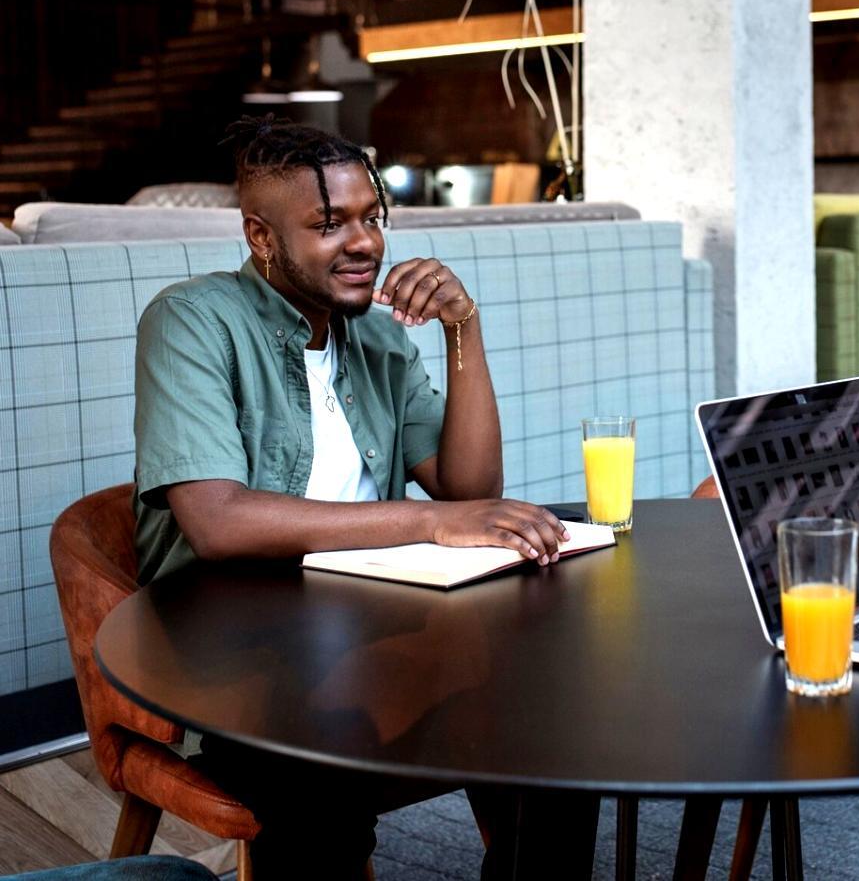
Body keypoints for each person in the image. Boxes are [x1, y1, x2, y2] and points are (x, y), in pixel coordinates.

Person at [132, 116, 579, 879]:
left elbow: (470, 489)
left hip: (378, 623)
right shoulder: (192, 321)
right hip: (240, 644)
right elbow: (218, 522)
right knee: (317, 779)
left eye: (371, 217)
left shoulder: (379, 337)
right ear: (261, 237)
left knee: (554, 726)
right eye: (328, 223)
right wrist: (434, 522)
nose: (364, 241)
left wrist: (462, 328)